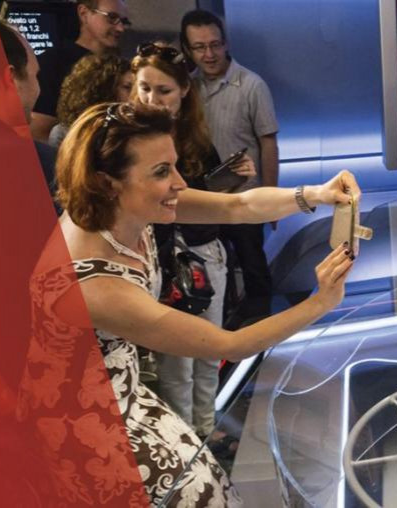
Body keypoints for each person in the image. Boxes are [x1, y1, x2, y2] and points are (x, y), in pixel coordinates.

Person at [20, 101, 358, 505]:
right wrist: (321, 302)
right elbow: (228, 344)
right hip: (80, 425)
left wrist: (317, 194)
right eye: (162, 171)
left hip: (120, 389)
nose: (180, 183)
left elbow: (237, 206)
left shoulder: (124, 205)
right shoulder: (92, 284)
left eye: (175, 166)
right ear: (107, 182)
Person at [131, 41, 255, 438]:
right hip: (158, 257)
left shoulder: (196, 138)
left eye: (163, 90)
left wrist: (230, 181)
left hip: (203, 251)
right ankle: (185, 443)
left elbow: (210, 199)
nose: (152, 99)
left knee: (209, 353)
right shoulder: (126, 139)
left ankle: (204, 432)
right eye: (144, 88)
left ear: (184, 90)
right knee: (176, 364)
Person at [181, 9, 279, 325]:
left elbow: (268, 143)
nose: (209, 54)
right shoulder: (185, 89)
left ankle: (264, 330)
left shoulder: (251, 85)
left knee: (253, 266)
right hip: (204, 200)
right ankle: (224, 331)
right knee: (212, 270)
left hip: (244, 198)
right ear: (188, 49)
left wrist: (272, 198)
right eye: (199, 47)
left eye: (215, 44)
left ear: (225, 43)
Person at [30, 0, 129, 142]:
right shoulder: (53, 63)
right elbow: (39, 131)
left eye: (123, 21)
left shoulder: (123, 67)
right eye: (112, 18)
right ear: (83, 13)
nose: (120, 28)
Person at [48, 53, 132, 147]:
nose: (135, 95)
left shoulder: (135, 130)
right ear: (104, 90)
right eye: (127, 87)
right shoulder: (64, 133)